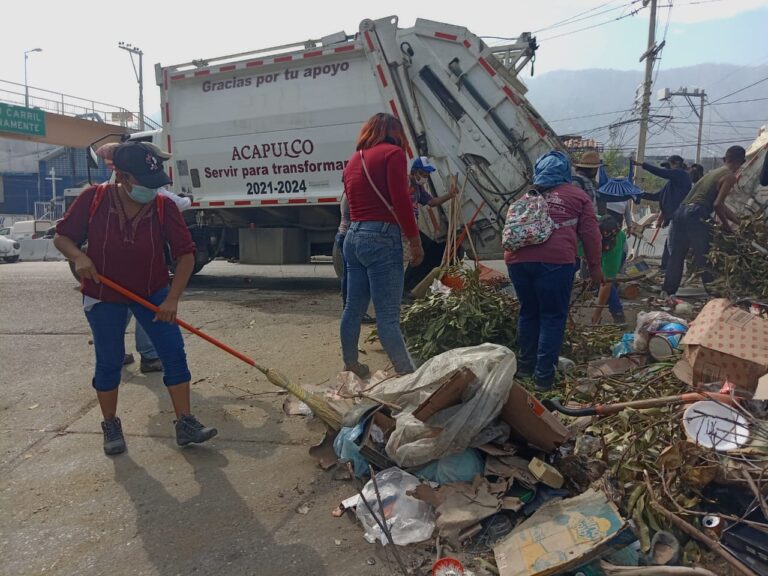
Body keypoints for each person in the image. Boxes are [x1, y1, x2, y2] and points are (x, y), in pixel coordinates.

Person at [54, 141, 217, 456]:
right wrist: (79, 258)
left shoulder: (162, 206)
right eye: (145, 183)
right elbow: (62, 236)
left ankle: (185, 422)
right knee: (110, 361)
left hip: (152, 291)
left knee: (173, 354)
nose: (152, 190)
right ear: (123, 177)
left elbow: (185, 256)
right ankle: (111, 424)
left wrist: (172, 299)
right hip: (104, 295)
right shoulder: (94, 199)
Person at [505, 151, 603, 391]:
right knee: (552, 317)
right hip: (555, 263)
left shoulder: (525, 197)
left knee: (528, 313)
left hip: (517, 262)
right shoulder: (578, 197)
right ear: (565, 171)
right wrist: (595, 268)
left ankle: (525, 369)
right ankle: (543, 379)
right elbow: (591, 235)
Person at [96, 142, 193, 373]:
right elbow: (178, 203)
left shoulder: (113, 187)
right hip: (140, 272)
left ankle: (115, 352)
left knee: (125, 309)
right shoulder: (144, 184)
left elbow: (187, 254)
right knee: (143, 308)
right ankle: (148, 355)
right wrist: (189, 199)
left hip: (122, 271)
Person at [339, 113, 424, 377]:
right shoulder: (393, 154)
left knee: (353, 308)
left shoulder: (354, 159)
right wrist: (415, 241)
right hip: (381, 237)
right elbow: (400, 200)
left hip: (353, 237)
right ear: (394, 132)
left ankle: (351, 363)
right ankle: (409, 375)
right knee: (388, 316)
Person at [662, 146, 747, 299]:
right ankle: (715, 294)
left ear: (725, 158)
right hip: (696, 214)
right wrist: (727, 227)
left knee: (676, 255)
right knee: (706, 256)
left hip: (680, 212)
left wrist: (738, 222)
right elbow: (717, 205)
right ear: (742, 162)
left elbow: (718, 203)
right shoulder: (730, 176)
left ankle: (668, 292)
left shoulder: (713, 173)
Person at [632, 155, 692, 270]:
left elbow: (661, 173)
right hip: (673, 217)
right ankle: (665, 268)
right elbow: (657, 196)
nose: (667, 170)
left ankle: (670, 270)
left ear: (676, 163)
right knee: (670, 243)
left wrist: (642, 165)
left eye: (668, 166)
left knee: (672, 246)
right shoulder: (671, 183)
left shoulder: (681, 175)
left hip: (679, 216)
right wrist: (639, 194)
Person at [335, 193, 375, 324]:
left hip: (347, 235)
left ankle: (353, 310)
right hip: (348, 235)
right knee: (351, 276)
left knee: (351, 276)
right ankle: (352, 310)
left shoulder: (348, 195)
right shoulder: (350, 196)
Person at [591, 215, 627, 325]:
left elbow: (606, 283)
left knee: (606, 280)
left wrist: (597, 312)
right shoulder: (588, 222)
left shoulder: (614, 246)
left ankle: (617, 312)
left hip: (617, 250)